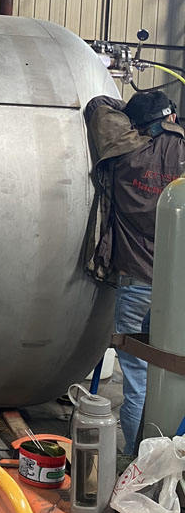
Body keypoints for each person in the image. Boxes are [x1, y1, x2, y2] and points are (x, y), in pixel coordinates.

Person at [84, 89, 185, 454]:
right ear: (171, 118)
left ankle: (138, 458)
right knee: (176, 376)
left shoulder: (126, 152)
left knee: (138, 380)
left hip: (137, 280)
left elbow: (98, 105)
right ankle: (172, 460)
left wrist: (130, 112)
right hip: (179, 289)